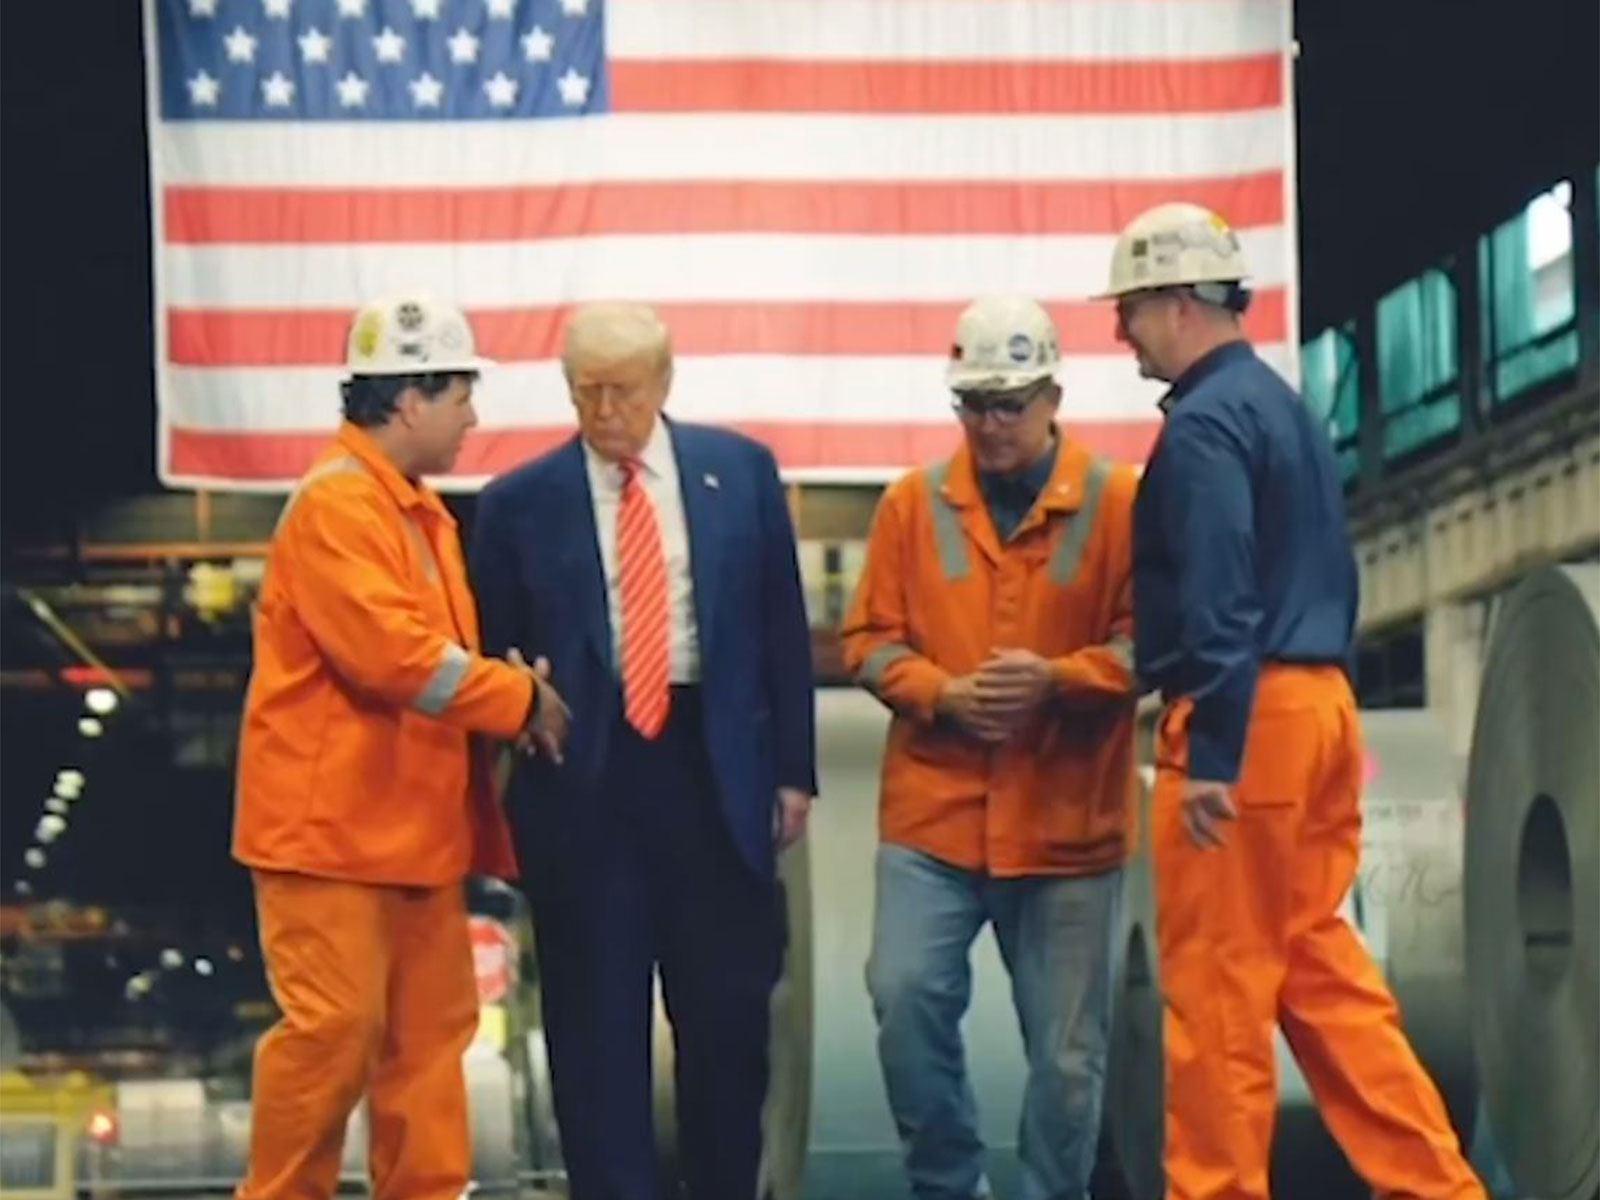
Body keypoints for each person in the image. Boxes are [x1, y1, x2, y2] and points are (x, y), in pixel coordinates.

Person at [1100, 202, 1486, 1200]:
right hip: (1317, 708)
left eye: (1132, 308)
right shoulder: (1281, 408)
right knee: (1321, 978)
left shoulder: (1203, 428)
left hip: (1247, 720)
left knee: (1217, 999)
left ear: (1182, 303)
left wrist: (1214, 757)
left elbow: (1222, 592)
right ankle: (1437, 1188)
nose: (1119, 331)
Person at [469, 301, 817, 1200]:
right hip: (586, 783)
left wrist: (793, 772)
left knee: (727, 1030)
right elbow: (496, 659)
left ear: (664, 382)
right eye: (584, 391)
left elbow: (783, 627)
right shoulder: (515, 506)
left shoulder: (740, 473)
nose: (604, 410)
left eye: (622, 390)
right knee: (596, 1041)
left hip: (716, 776)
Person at [233, 293, 568, 1200]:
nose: (472, 416)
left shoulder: (411, 513)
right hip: (332, 838)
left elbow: (431, 667)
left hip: (413, 835)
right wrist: (521, 696)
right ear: (411, 398)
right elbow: (400, 662)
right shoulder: (341, 507)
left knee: (429, 1044)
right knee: (333, 1037)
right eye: (461, 393)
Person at [839, 296, 1140, 1200]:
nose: (991, 424)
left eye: (1009, 403)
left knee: (1069, 1060)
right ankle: (949, 1185)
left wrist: (1060, 679)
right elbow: (868, 641)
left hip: (1067, 826)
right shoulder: (910, 505)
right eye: (973, 404)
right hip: (936, 819)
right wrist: (942, 694)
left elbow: (1154, 643)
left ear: (1053, 395)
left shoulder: (1120, 503)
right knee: (903, 1000)